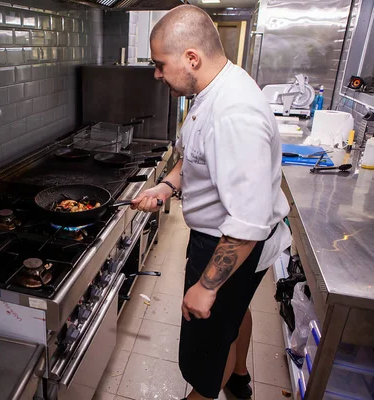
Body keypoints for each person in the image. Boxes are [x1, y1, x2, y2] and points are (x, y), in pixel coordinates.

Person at [131, 5, 292, 400]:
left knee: (206, 347)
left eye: (159, 64)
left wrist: (206, 285)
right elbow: (195, 158)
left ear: (191, 58)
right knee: (233, 318)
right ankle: (239, 377)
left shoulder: (235, 113)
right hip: (224, 238)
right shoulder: (211, 90)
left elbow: (249, 221)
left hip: (229, 245)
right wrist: (166, 187)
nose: (156, 74)